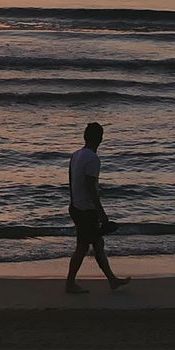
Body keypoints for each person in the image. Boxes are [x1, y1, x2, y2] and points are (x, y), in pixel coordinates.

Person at [66, 122, 129, 294]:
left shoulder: (75, 155)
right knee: (83, 246)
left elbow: (71, 181)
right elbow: (91, 187)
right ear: (100, 139)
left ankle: (112, 280)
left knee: (97, 243)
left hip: (76, 206)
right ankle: (70, 284)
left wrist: (72, 205)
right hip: (86, 210)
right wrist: (101, 214)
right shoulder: (93, 159)